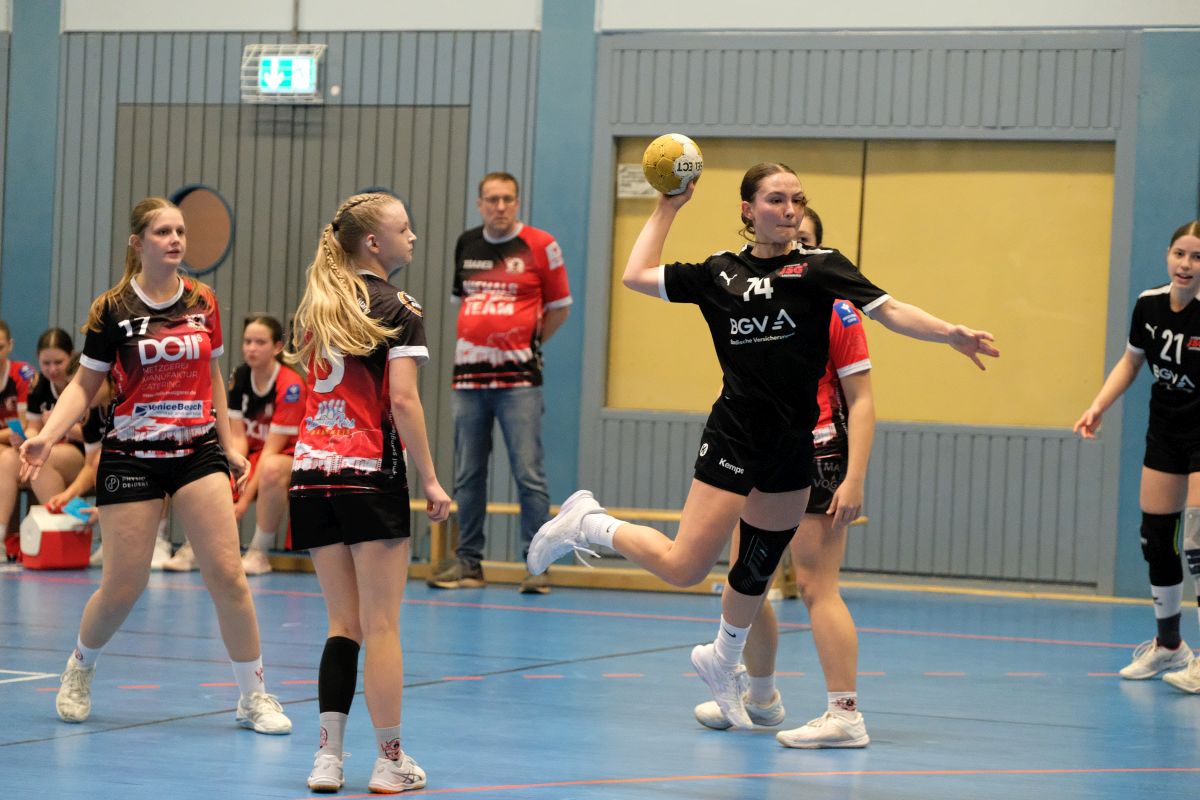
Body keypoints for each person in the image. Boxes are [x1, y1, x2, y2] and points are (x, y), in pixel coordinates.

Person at [527, 163, 998, 735]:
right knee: (685, 567)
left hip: (792, 445)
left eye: (797, 198)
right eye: (776, 199)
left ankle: (726, 665)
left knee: (752, 576)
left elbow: (891, 310)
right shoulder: (719, 273)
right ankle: (589, 523)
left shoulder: (821, 268)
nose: (790, 209)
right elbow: (636, 275)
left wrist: (949, 333)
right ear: (749, 210)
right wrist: (669, 206)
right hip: (736, 435)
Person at [19, 196, 291, 734]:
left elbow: (214, 379)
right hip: (131, 457)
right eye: (163, 231)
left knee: (228, 575)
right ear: (138, 242)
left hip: (196, 451)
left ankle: (253, 696)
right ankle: (80, 665)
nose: (175, 240)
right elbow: (84, 385)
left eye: (180, 231)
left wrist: (229, 443)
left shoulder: (204, 300)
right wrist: (46, 437)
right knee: (124, 586)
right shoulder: (112, 309)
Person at [690, 207, 876, 747]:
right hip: (759, 451)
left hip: (817, 453)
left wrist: (854, 477)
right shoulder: (753, 295)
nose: (795, 245)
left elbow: (862, 400)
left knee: (818, 586)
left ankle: (844, 713)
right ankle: (760, 698)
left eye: (807, 239)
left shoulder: (837, 307)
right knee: (747, 583)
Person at [288, 192, 450, 793]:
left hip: (311, 474)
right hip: (367, 473)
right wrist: (429, 478)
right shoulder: (397, 307)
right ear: (374, 243)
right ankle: (389, 761)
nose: (413, 237)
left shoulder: (319, 304)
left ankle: (327, 759)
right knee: (381, 625)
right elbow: (402, 400)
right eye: (404, 229)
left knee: (342, 623)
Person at [428, 171, 572, 594]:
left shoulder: (541, 245)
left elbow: (560, 308)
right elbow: (464, 302)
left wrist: (528, 344)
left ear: (517, 202)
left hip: (519, 383)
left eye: (508, 198)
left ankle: (537, 565)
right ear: (480, 204)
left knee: (529, 474)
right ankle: (469, 564)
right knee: (468, 475)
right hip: (468, 382)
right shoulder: (467, 243)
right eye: (492, 199)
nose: (500, 206)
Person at [1074, 220, 1200, 693]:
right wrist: (1097, 406)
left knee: (1197, 542)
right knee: (1156, 537)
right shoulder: (1149, 304)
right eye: (1180, 254)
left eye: (1197, 257)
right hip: (1166, 428)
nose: (1186, 264)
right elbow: (1132, 361)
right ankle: (1169, 646)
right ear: (1168, 255)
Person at [163, 314, 306, 576]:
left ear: (277, 347)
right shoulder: (240, 376)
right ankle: (195, 548)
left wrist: (243, 500)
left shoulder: (290, 385)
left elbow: (272, 450)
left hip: (286, 458)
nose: (251, 348)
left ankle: (259, 553)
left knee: (272, 468)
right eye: (247, 341)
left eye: (260, 342)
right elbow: (238, 439)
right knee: (211, 468)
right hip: (254, 454)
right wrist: (229, 472)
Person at [0, 320, 35, 561]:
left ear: (10, 345)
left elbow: (24, 427)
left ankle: (5, 540)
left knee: (7, 460)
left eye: (0, 347)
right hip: (6, 446)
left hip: (21, 448)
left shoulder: (24, 374)